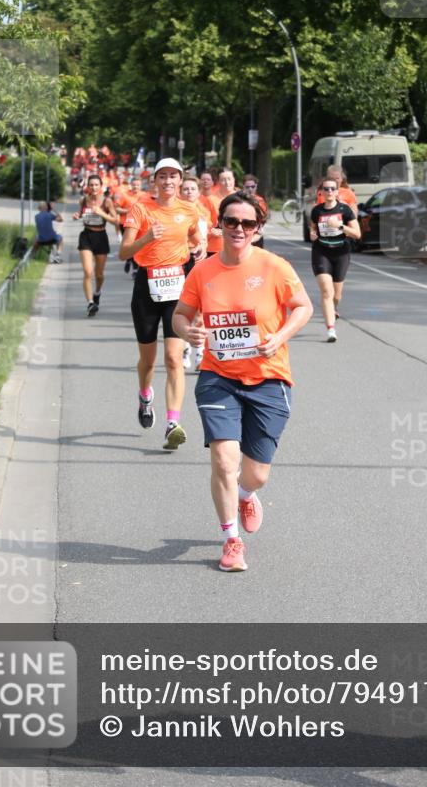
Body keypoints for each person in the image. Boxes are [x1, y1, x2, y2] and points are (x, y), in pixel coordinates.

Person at [173, 191, 313, 572]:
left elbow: (304, 307)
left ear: (258, 229)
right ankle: (231, 540)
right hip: (219, 376)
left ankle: (247, 494)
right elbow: (180, 315)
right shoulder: (202, 271)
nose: (238, 228)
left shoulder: (275, 266)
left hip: (269, 378)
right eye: (231, 221)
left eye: (246, 223)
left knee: (257, 473)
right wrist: (189, 333)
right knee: (223, 459)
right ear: (220, 224)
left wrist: (280, 337)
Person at [119, 158, 204, 450]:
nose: (168, 181)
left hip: (176, 289)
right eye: (162, 176)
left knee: (172, 357)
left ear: (180, 181)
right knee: (148, 360)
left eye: (173, 176)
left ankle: (172, 423)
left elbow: (195, 235)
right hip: (147, 287)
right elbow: (123, 251)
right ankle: (145, 395)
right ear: (154, 181)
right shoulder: (141, 208)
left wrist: (200, 245)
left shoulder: (189, 210)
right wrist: (146, 238)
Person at [309, 179, 360, 342]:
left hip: (341, 252)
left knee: (336, 295)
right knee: (326, 291)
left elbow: (357, 234)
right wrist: (312, 234)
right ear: (321, 193)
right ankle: (331, 329)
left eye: (332, 189)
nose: (329, 191)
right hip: (321, 251)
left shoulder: (345, 211)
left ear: (337, 192)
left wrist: (339, 226)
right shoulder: (316, 211)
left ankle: (334, 307)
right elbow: (313, 228)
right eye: (326, 189)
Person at [73, 173, 118, 316]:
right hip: (86, 236)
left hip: (101, 237)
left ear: (100, 187)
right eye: (91, 185)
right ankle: (90, 303)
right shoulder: (83, 200)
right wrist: (77, 215)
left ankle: (97, 292)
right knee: (88, 271)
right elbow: (81, 213)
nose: (93, 187)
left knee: (99, 275)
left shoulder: (107, 201)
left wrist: (101, 213)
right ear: (87, 186)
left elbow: (115, 220)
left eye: (96, 185)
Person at [180, 174, 211, 370]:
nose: (189, 192)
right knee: (183, 309)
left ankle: (199, 353)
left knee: (201, 310)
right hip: (180, 262)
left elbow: (206, 238)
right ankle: (184, 349)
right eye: (186, 189)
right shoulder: (176, 212)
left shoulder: (205, 212)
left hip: (200, 263)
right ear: (180, 192)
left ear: (198, 192)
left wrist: (205, 250)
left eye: (193, 189)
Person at [242, 174, 268, 248]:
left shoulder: (260, 200)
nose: (250, 189)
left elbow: (264, 217)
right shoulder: (239, 200)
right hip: (242, 234)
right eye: (247, 187)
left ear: (256, 187)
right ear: (243, 187)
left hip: (256, 235)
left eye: (253, 187)